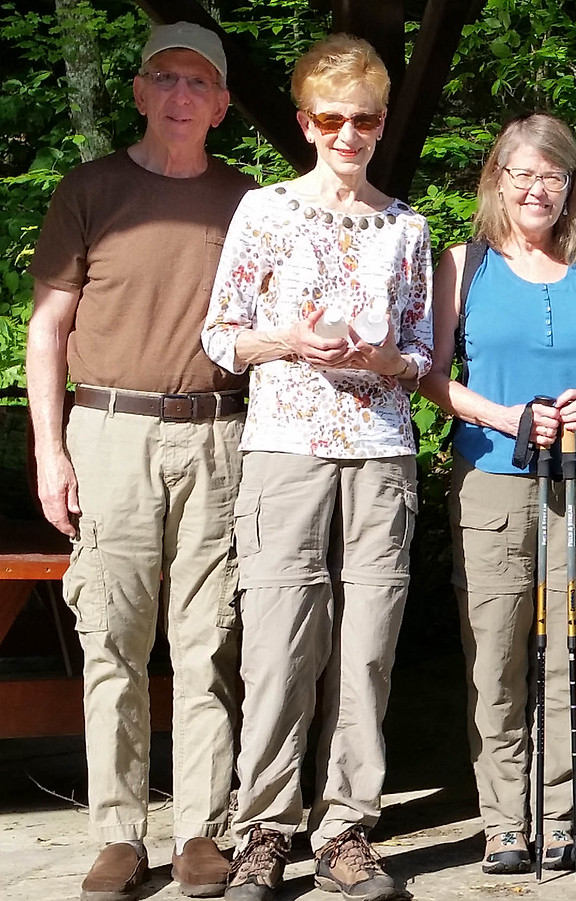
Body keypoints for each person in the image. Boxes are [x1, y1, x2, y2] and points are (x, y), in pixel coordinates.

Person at [25, 22, 254, 901]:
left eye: (200, 83)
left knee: (210, 643)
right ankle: (118, 833)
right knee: (112, 639)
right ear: (139, 92)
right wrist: (51, 450)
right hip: (109, 433)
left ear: (223, 105)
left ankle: (204, 828)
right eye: (166, 78)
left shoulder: (247, 202)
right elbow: (47, 328)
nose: (181, 96)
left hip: (219, 436)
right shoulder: (90, 189)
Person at [200, 34, 431, 901]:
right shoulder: (265, 211)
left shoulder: (406, 225)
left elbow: (420, 354)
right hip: (287, 447)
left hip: (381, 450)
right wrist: (288, 341)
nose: (348, 133)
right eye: (331, 117)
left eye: (363, 119)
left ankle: (346, 830)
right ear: (305, 122)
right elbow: (221, 334)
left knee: (366, 647)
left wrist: (384, 361)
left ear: (377, 126)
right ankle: (264, 826)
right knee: (279, 643)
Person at [420, 113, 576, 875]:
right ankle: (505, 818)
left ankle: (559, 808)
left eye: (553, 175)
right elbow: (431, 374)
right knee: (497, 650)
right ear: (497, 181)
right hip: (492, 478)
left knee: (575, 645)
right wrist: (497, 413)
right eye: (523, 174)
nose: (538, 189)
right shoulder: (464, 263)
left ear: (571, 187)